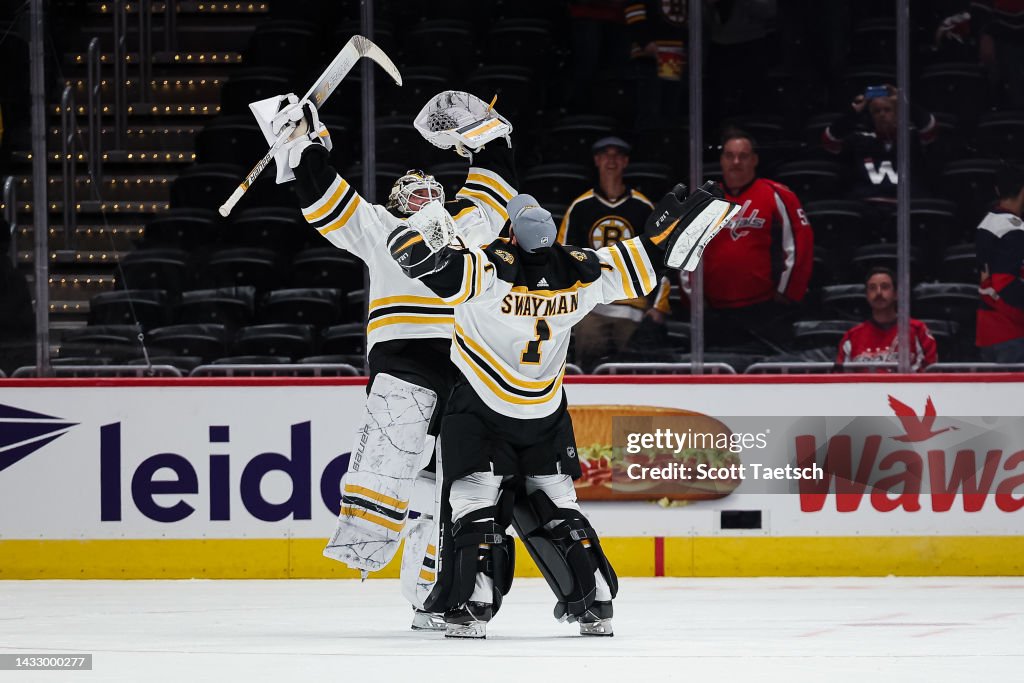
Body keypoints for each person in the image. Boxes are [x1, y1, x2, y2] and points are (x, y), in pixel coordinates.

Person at [387, 181, 738, 638]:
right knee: (559, 505)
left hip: (482, 407)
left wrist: (429, 224)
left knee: (473, 503)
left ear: (511, 235)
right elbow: (649, 260)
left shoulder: (489, 270)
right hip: (544, 415)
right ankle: (595, 606)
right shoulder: (582, 271)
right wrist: (666, 238)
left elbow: (415, 258)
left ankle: (472, 609)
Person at [266, 90, 517, 630]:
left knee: (457, 490)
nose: (424, 196)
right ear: (397, 202)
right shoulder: (378, 226)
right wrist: (304, 144)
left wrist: (487, 136)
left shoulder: (465, 226)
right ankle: (380, 552)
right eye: (413, 191)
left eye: (431, 189)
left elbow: (498, 189)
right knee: (411, 482)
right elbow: (323, 196)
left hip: (464, 363)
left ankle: (445, 595)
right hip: (405, 360)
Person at [678, 129, 813, 351]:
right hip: (716, 314)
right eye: (730, 156)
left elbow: (800, 243)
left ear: (755, 160)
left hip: (765, 312)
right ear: (721, 160)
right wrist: (694, 299)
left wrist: (788, 292)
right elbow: (684, 251)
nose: (736, 162)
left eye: (743, 156)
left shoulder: (777, 195)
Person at [557, 136, 663, 370]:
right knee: (589, 370)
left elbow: (660, 256)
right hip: (593, 307)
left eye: (617, 155)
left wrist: (657, 307)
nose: (611, 160)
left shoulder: (643, 207)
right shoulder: (581, 207)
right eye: (606, 154)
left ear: (626, 161)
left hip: (634, 307)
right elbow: (564, 256)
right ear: (597, 160)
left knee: (636, 373)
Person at [822, 85, 938, 208]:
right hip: (865, 206)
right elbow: (830, 141)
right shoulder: (859, 139)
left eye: (887, 110)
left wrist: (904, 103)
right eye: (877, 111)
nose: (882, 115)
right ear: (871, 117)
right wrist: (854, 111)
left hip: (907, 207)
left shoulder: (912, 137)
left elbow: (930, 129)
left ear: (897, 114)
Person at [836, 266, 938, 372]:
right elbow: (840, 381)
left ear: (896, 294)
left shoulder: (918, 330)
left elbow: (932, 375)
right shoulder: (852, 337)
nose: (878, 292)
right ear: (867, 295)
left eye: (885, 287)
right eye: (872, 288)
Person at [976, 163, 1024, 362]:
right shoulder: (1014, 229)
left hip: (988, 330)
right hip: (1012, 331)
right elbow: (1005, 283)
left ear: (997, 190)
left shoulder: (987, 222)